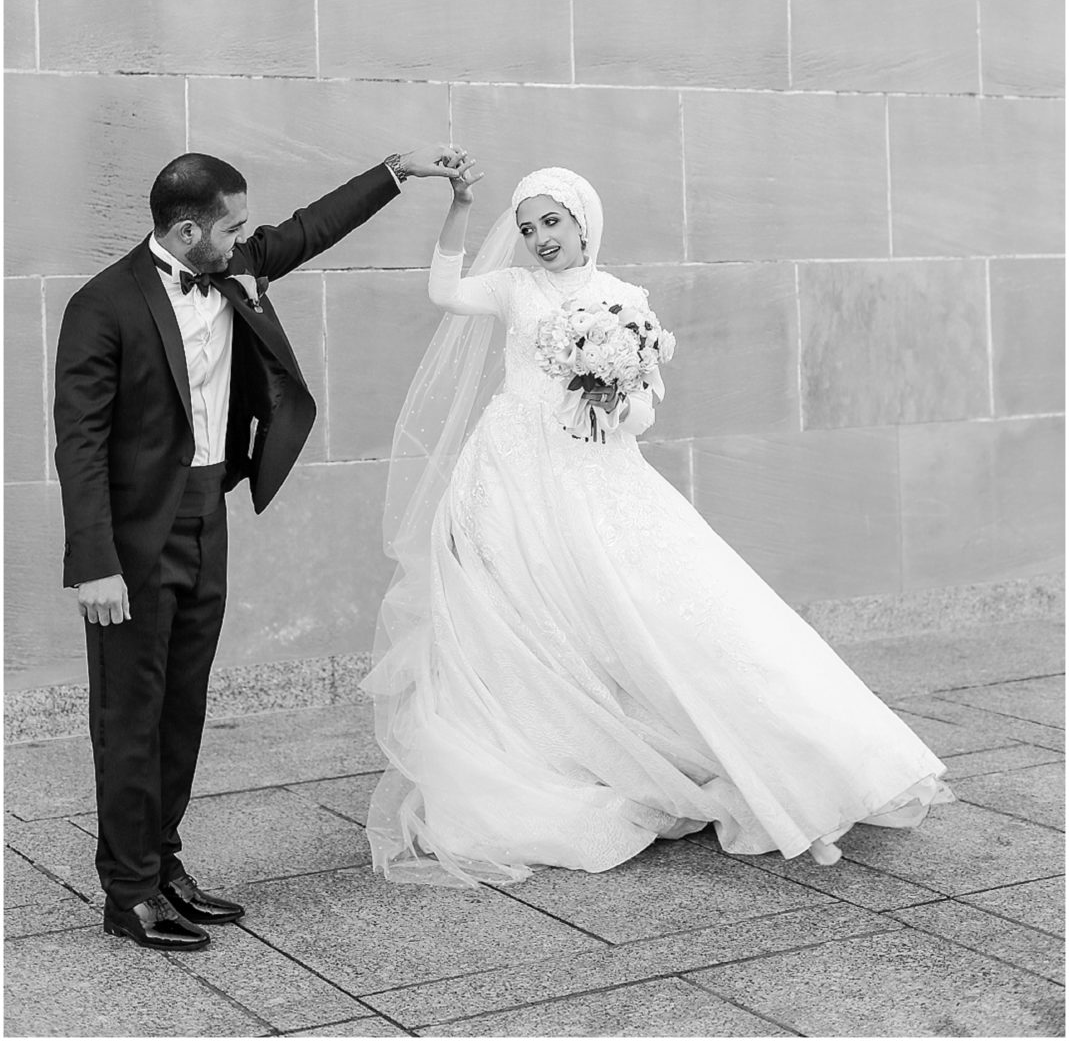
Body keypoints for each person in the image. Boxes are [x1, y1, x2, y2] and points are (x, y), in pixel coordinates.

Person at [363, 166, 952, 887]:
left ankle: (778, 756)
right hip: (509, 471)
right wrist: (458, 208)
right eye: (526, 228)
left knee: (657, 611)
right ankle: (549, 756)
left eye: (551, 222)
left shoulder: (621, 301)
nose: (539, 239)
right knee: (517, 610)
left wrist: (612, 402)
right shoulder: (513, 290)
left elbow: (643, 412)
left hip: (592, 474)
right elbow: (443, 291)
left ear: (582, 221)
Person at [54, 143, 473, 950]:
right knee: (129, 714)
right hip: (133, 542)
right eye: (231, 226)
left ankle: (162, 863)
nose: (245, 238)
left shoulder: (232, 263)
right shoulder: (100, 306)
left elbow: (314, 228)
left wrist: (398, 169)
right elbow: (79, 445)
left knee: (182, 706)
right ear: (184, 233)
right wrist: (94, 563)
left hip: (207, 514)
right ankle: (128, 892)